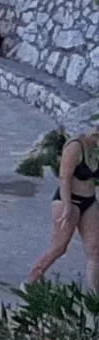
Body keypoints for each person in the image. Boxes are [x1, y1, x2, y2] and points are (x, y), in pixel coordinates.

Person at [27, 117, 99, 290]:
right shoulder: (76, 145)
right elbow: (64, 177)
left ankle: (94, 294)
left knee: (95, 249)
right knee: (59, 247)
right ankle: (30, 282)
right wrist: (67, 206)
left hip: (89, 200)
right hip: (69, 199)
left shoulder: (96, 151)